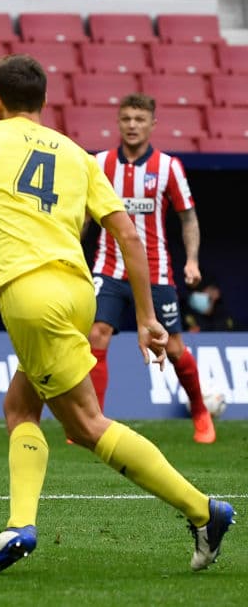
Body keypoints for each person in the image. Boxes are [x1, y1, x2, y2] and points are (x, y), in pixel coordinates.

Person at [0, 55, 233, 575]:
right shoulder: (77, 154)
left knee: (87, 425)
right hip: (78, 290)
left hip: (31, 295)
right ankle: (20, 522)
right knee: (19, 406)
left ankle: (202, 511)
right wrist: (146, 315)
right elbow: (129, 237)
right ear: (43, 101)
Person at [87, 93, 214, 444]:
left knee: (172, 347)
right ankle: (93, 423)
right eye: (126, 118)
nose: (132, 125)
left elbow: (188, 218)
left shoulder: (168, 167)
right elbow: (82, 215)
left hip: (156, 272)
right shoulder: (99, 164)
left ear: (152, 124)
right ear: (118, 121)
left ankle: (201, 412)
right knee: (96, 334)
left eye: (139, 119)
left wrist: (191, 260)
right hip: (109, 267)